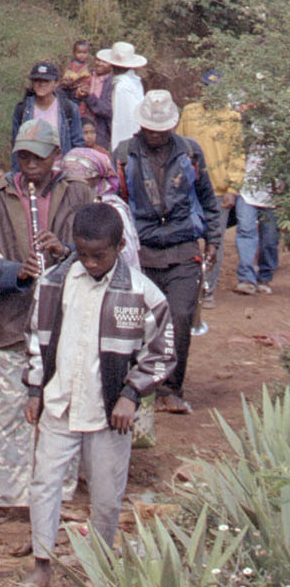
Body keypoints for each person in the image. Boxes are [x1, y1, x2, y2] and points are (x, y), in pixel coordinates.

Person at [21, 204, 174, 587]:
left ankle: (101, 569)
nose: (88, 263)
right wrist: (36, 389)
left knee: (106, 496)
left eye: (99, 255)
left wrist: (130, 394)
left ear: (120, 246)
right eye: (82, 253)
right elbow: (36, 340)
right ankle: (42, 565)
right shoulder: (54, 282)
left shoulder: (142, 294)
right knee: (44, 483)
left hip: (109, 413)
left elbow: (162, 351)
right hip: (60, 403)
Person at [0, 119, 94, 527]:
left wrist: (68, 250)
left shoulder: (79, 192)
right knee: (7, 408)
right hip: (11, 318)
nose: (31, 165)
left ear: (56, 156)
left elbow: (101, 251)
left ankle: (58, 495)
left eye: (39, 157)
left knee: (61, 406)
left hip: (65, 319)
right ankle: (1, 495)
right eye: (23, 156)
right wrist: (16, 272)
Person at [112, 90, 219, 415]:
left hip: (183, 248)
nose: (156, 134)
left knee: (180, 317)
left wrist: (213, 239)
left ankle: (171, 389)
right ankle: (136, 388)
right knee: (136, 322)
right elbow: (113, 201)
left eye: (162, 128)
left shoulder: (191, 153)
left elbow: (209, 200)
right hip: (140, 251)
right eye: (150, 128)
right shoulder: (124, 154)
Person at [178, 81, 243, 313]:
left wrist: (233, 188)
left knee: (214, 241)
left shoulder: (232, 117)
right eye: (205, 87)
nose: (209, 92)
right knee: (187, 237)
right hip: (189, 189)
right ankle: (187, 287)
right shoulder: (190, 112)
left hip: (218, 189)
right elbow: (179, 146)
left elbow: (237, 154)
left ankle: (208, 289)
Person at [234, 121, 279, 295]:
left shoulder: (283, 124)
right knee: (245, 231)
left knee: (269, 238)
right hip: (247, 190)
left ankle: (265, 275)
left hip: (274, 193)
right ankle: (246, 278)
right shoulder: (248, 123)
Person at [9, 61, 83, 161]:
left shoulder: (69, 108)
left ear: (56, 83)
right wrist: (17, 174)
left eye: (46, 81)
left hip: (61, 170)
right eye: (37, 80)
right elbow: (16, 146)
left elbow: (77, 145)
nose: (41, 84)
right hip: (32, 169)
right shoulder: (23, 109)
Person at [92, 41, 148, 151]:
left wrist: (120, 149)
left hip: (127, 141)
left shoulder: (122, 87)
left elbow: (122, 120)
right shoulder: (134, 81)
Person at [60, 40, 96, 117]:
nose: (82, 55)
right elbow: (70, 78)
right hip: (74, 91)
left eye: (84, 53)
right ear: (74, 53)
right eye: (79, 53)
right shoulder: (73, 65)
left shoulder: (85, 65)